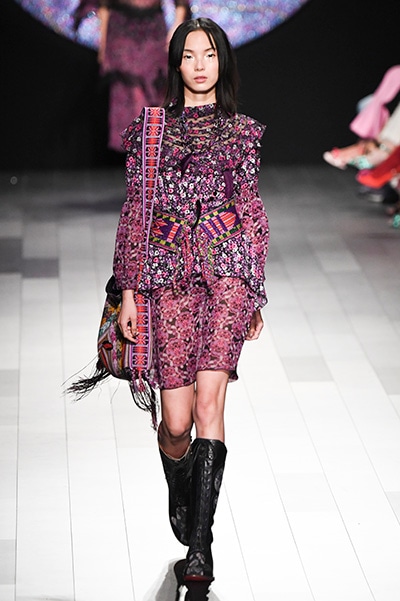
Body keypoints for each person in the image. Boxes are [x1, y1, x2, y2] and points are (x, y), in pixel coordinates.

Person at [113, 17, 269, 592]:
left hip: (226, 274)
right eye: (189, 55)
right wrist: (129, 291)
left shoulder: (243, 132)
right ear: (175, 64)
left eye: (209, 54)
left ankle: (200, 549)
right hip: (168, 278)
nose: (200, 65)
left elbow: (250, 211)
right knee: (176, 424)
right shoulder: (151, 130)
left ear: (222, 62)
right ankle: (184, 491)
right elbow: (135, 213)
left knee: (209, 404)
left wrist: (254, 288)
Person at [74, 0, 191, 151]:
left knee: (155, 93)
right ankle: (139, 150)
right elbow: (104, 4)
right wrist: (103, 42)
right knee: (130, 92)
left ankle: (152, 151)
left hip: (153, 31)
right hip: (121, 30)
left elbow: (182, 3)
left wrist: (177, 27)